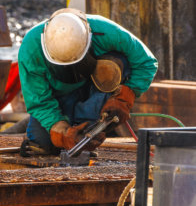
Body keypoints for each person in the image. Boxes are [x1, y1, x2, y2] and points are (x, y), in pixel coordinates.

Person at [18, 8, 158, 152]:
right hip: (59, 94)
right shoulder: (31, 50)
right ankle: (71, 130)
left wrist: (125, 97)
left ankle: (88, 124)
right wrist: (63, 132)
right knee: (44, 142)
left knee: (119, 60)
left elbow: (146, 62)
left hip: (96, 86)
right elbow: (39, 102)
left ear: (88, 41)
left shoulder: (105, 31)